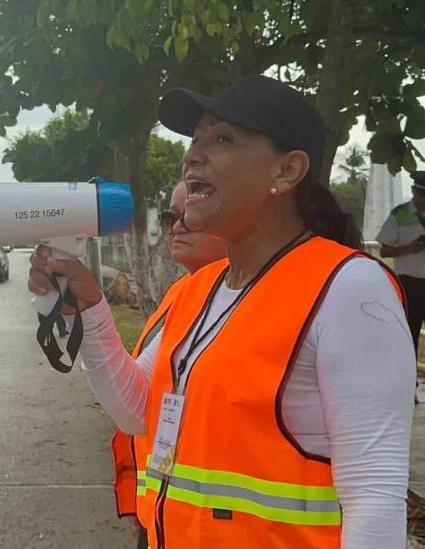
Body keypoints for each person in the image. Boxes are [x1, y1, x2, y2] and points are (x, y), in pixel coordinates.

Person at [29, 75, 415, 548]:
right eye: (194, 140)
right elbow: (137, 413)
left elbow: (374, 496)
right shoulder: (198, 290)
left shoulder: (350, 290)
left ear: (286, 171)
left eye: (223, 138)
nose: (192, 155)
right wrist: (89, 308)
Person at [111, 181, 227, 549]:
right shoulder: (183, 293)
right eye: (169, 217)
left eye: (190, 214)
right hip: (167, 511)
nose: (177, 226)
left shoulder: (257, 302)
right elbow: (141, 402)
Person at [377, 171, 425, 356]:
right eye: (421, 194)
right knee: (408, 336)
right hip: (409, 284)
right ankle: (408, 381)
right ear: (414, 190)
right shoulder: (400, 214)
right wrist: (410, 249)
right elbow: (384, 250)